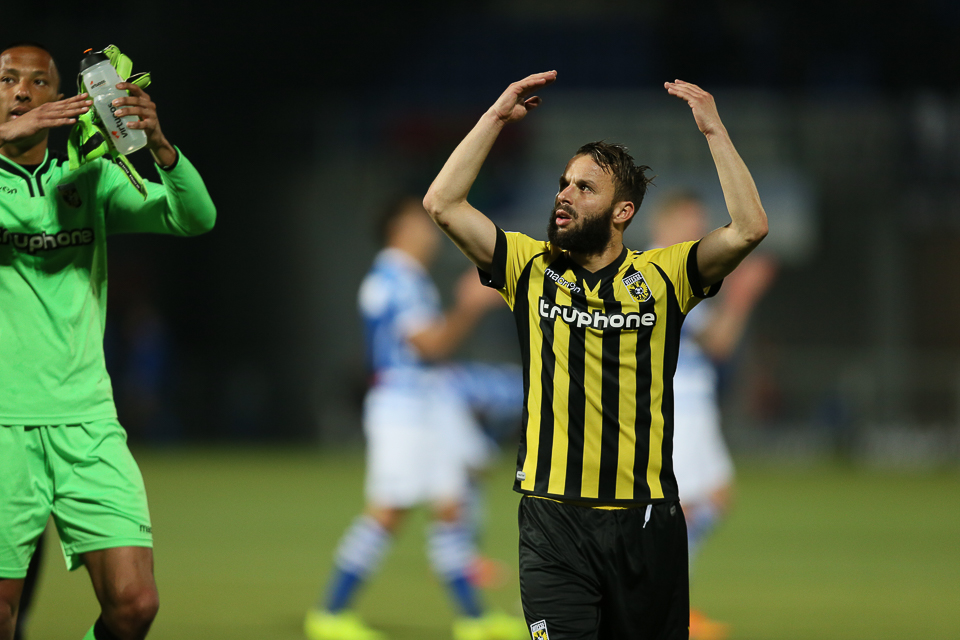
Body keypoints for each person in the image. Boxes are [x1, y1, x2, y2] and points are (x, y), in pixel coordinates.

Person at [422, 72, 768, 640]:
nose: (565, 194)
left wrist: (714, 131)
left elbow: (750, 228)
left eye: (585, 187)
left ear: (622, 211)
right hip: (552, 520)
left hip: (646, 521)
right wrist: (494, 119)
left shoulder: (665, 276)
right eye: (564, 182)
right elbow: (442, 203)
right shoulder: (530, 267)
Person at [0, 42, 216, 640]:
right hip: (3, 427)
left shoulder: (88, 181)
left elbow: (195, 218)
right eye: (7, 80)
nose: (22, 92)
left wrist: (161, 147)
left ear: (64, 97)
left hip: (88, 423)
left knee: (135, 603)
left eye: (38, 82)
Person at [304, 197, 527, 640]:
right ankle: (329, 613)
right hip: (402, 411)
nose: (431, 231)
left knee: (450, 506)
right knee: (389, 510)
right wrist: (470, 305)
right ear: (398, 229)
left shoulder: (406, 278)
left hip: (424, 406)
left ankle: (474, 619)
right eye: (420, 223)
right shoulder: (395, 279)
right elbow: (429, 346)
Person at [650, 191, 777, 640]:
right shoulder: (662, 271)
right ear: (663, 224)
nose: (697, 231)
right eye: (689, 222)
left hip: (694, 401)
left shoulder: (685, 269)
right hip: (676, 404)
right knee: (681, 509)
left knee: (717, 497)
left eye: (699, 223)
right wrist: (742, 295)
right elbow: (718, 343)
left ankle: (667, 601)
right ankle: (666, 608)